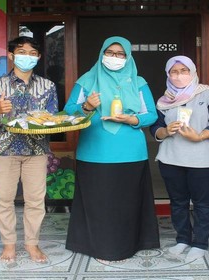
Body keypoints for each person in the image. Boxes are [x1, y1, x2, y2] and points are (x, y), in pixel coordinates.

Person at [63, 36, 160, 262]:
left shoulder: (138, 82)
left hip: (130, 152)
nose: (114, 58)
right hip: (94, 151)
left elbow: (151, 114)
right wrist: (86, 106)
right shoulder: (87, 81)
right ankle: (101, 247)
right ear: (102, 54)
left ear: (127, 57)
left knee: (127, 201)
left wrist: (132, 120)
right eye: (110, 53)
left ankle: (131, 244)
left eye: (120, 54)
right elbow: (68, 113)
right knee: (100, 203)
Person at [0, 36, 58, 263]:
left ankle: (32, 244)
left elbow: (53, 119)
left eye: (32, 52)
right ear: (12, 55)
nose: (27, 56)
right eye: (22, 51)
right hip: (4, 150)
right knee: (4, 200)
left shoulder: (48, 86)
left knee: (35, 200)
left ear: (38, 57)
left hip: (36, 151)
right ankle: (9, 245)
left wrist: (47, 121)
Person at [150, 56, 209, 262]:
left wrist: (200, 135)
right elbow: (154, 127)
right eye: (174, 72)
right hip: (171, 158)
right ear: (168, 75)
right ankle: (183, 239)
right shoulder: (164, 100)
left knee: (202, 203)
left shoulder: (208, 95)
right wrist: (165, 131)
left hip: (201, 159)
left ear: (192, 72)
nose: (179, 75)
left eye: (184, 70)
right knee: (178, 202)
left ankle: (200, 243)